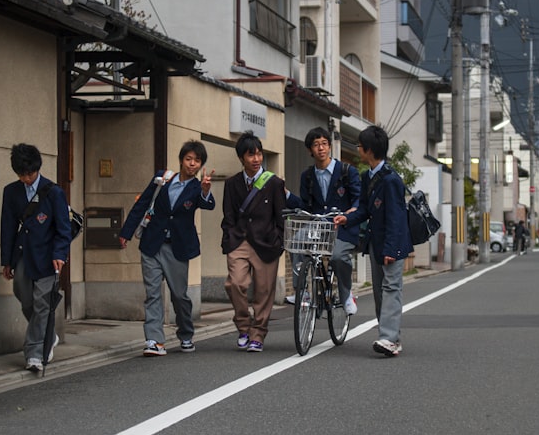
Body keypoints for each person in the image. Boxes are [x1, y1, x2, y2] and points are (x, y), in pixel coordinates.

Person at [119, 141, 215, 356]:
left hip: (177, 248)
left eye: (197, 161)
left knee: (179, 296)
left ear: (201, 165)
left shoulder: (197, 187)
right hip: (152, 244)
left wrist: (206, 191)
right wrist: (126, 232)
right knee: (152, 293)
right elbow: (142, 203)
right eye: (189, 159)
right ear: (181, 159)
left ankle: (186, 333)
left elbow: (208, 204)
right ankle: (154, 340)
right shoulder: (164, 178)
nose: (192, 164)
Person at [334, 125, 413, 357]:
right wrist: (347, 218)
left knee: (390, 288)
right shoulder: (368, 175)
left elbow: (397, 219)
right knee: (379, 291)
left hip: (392, 244)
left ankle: (387, 338)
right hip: (377, 243)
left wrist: (391, 249)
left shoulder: (391, 180)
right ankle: (391, 338)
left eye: (360, 145)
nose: (358, 148)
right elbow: (365, 209)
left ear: (369, 149)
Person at [0, 143, 72, 373]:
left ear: (37, 169)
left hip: (47, 257)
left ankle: (34, 354)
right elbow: (7, 227)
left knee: (42, 304)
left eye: (29, 174)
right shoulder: (11, 192)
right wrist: (6, 260)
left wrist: (60, 254)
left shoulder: (54, 193)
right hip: (21, 255)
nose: (26, 179)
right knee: (24, 296)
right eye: (21, 175)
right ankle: (49, 335)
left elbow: (63, 228)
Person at [221, 131, 287, 352]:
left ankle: (258, 334)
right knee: (235, 283)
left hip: (267, 243)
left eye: (259, 154)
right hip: (239, 240)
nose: (256, 159)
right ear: (241, 158)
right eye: (251, 155)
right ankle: (243, 326)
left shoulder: (274, 183)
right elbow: (228, 215)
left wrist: (279, 241)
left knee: (263, 291)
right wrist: (229, 239)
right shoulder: (231, 184)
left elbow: (281, 217)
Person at [286, 126, 362, 315]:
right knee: (294, 243)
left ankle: (346, 295)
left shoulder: (346, 171)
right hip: (319, 227)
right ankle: (302, 292)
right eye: (316, 145)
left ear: (329, 147)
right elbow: (305, 206)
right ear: (310, 150)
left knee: (337, 257)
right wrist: (287, 195)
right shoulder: (308, 176)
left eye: (324, 144)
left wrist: (352, 210)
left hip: (343, 226)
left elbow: (359, 197)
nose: (321, 148)